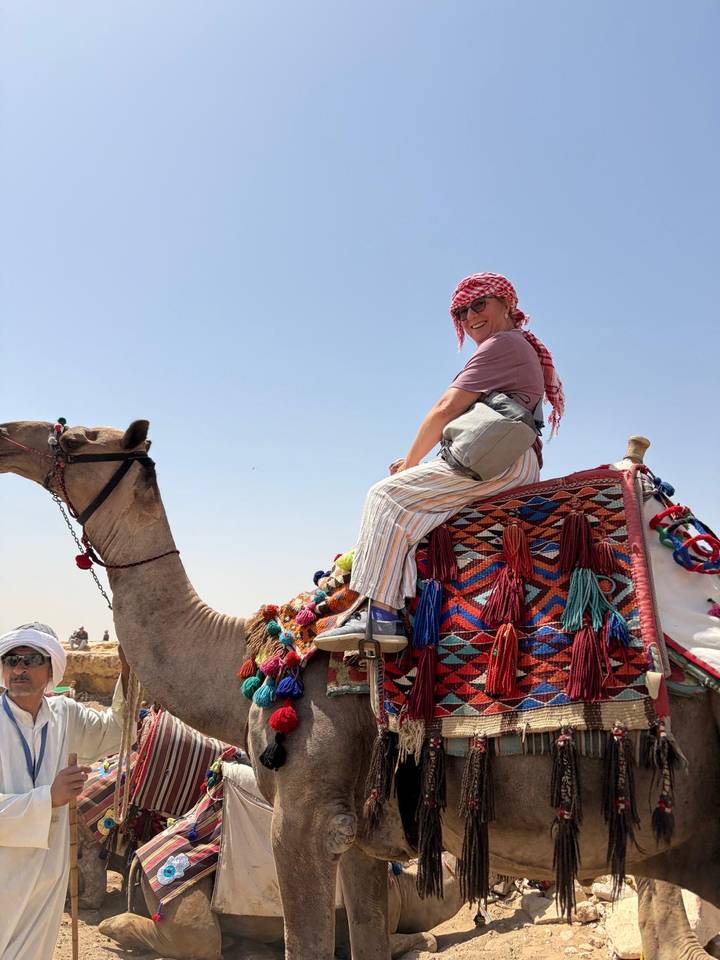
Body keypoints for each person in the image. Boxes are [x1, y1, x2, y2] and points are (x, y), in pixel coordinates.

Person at [316, 273, 564, 651]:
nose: (470, 316)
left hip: (502, 460)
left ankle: (380, 615)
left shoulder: (502, 344)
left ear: (507, 306)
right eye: (461, 312)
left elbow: (445, 408)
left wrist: (410, 464)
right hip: (507, 457)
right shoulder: (515, 346)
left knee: (386, 497)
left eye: (479, 304)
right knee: (414, 510)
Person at [0, 621, 130, 959]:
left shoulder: (66, 715)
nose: (20, 668)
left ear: (51, 670)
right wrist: (49, 798)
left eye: (31, 659)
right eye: (12, 660)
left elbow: (116, 731)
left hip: (49, 869)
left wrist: (128, 676)